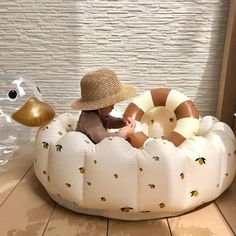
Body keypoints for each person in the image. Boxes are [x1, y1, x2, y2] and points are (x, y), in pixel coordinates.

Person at [71, 68, 136, 144]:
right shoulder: (90, 120)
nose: (113, 107)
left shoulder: (97, 112)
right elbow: (103, 139)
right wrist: (123, 133)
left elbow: (108, 121)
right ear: (98, 105)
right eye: (110, 105)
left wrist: (123, 122)